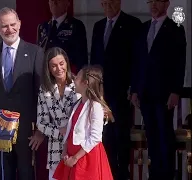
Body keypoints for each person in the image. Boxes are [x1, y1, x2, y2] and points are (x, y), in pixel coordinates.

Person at [0, 7, 44, 180]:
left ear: (20, 24)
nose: (10, 29)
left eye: (13, 24)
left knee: (26, 173)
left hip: (27, 130)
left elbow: (42, 93)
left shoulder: (35, 53)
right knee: (2, 173)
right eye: (4, 26)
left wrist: (40, 128)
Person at [130, 0, 187, 179]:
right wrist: (134, 89)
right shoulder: (144, 27)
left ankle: (167, 175)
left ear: (167, 4)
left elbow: (180, 63)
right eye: (150, 1)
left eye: (157, 1)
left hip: (164, 94)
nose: (153, 5)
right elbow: (137, 62)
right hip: (145, 93)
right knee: (152, 137)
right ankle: (154, 174)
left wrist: (176, 91)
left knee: (164, 136)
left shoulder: (175, 28)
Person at [90, 0, 141, 179]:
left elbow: (137, 60)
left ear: (118, 2)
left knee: (121, 136)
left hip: (122, 92)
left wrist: (134, 88)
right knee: (105, 136)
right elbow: (94, 61)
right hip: (101, 93)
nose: (107, 6)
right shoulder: (98, 26)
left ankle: (122, 174)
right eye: (104, 3)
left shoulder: (132, 24)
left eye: (111, 2)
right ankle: (107, 173)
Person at [53, 65, 113, 180]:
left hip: (86, 157)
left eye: (77, 77)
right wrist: (65, 151)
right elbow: (71, 130)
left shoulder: (95, 106)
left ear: (85, 83)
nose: (74, 79)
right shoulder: (78, 103)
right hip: (72, 157)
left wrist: (75, 158)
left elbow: (95, 137)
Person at [36, 47, 81, 180]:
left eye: (61, 64)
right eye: (54, 66)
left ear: (67, 63)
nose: (59, 68)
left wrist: (70, 130)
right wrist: (59, 131)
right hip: (55, 148)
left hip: (76, 145)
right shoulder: (45, 89)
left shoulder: (78, 84)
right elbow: (41, 123)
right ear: (48, 68)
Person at [36, 0, 88, 75]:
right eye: (51, 0)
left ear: (67, 3)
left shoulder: (76, 26)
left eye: (58, 0)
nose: (54, 3)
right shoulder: (43, 27)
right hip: (46, 75)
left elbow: (81, 58)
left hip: (66, 75)